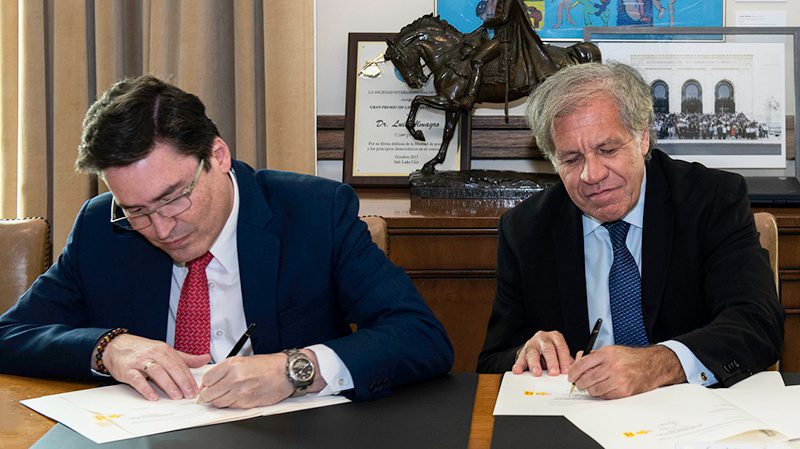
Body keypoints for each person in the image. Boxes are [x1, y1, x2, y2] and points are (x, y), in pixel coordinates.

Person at [0, 75, 453, 408]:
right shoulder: (102, 227)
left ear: (217, 156)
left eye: (173, 198)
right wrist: (108, 348)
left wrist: (296, 369)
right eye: (137, 211)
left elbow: (420, 336)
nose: (161, 228)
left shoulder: (314, 213)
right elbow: (9, 335)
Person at [477, 62, 783, 399]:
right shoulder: (526, 229)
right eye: (572, 159)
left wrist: (659, 364)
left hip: (695, 412)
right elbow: (492, 360)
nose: (592, 175)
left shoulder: (710, 200)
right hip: (580, 416)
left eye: (607, 150)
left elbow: (757, 323)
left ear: (643, 137)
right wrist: (526, 355)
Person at [461, 0, 556, 108]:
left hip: (503, 39)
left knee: (477, 60)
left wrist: (488, 21)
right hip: (500, 36)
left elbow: (504, 17)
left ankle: (470, 96)